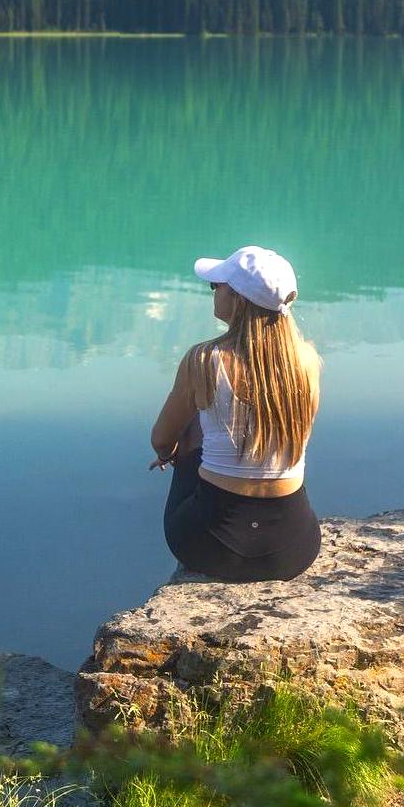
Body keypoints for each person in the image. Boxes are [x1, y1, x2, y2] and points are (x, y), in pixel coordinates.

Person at [149, 246, 323, 581]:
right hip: (292, 550)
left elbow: (160, 439)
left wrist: (175, 450)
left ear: (238, 300)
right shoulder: (306, 361)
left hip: (208, 547)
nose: (213, 291)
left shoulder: (204, 360)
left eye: (217, 286)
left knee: (191, 431)